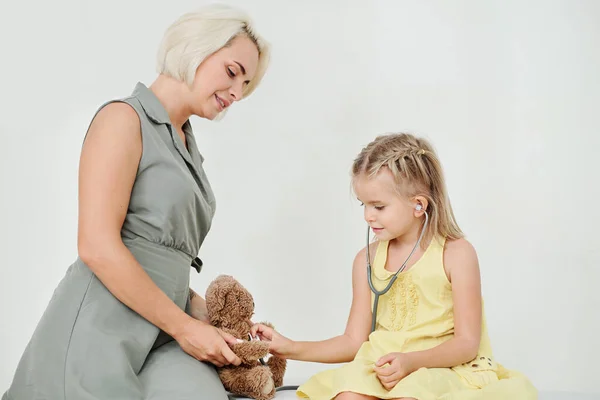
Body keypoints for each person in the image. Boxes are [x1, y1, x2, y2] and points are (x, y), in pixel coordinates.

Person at [3, 4, 270, 400]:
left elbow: (165, 261)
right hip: (102, 330)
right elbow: (96, 245)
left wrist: (215, 320)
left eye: (246, 84)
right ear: (195, 48)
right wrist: (185, 327)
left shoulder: (187, 146)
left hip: (161, 331)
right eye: (233, 72)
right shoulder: (122, 120)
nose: (237, 92)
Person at [251, 133, 538, 399]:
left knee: (410, 395)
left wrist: (412, 361)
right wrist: (289, 347)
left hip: (444, 367)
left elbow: (466, 343)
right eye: (363, 205)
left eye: (378, 206)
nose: (367, 216)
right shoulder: (365, 260)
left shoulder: (456, 254)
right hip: (384, 365)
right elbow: (353, 341)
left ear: (418, 205)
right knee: (347, 395)